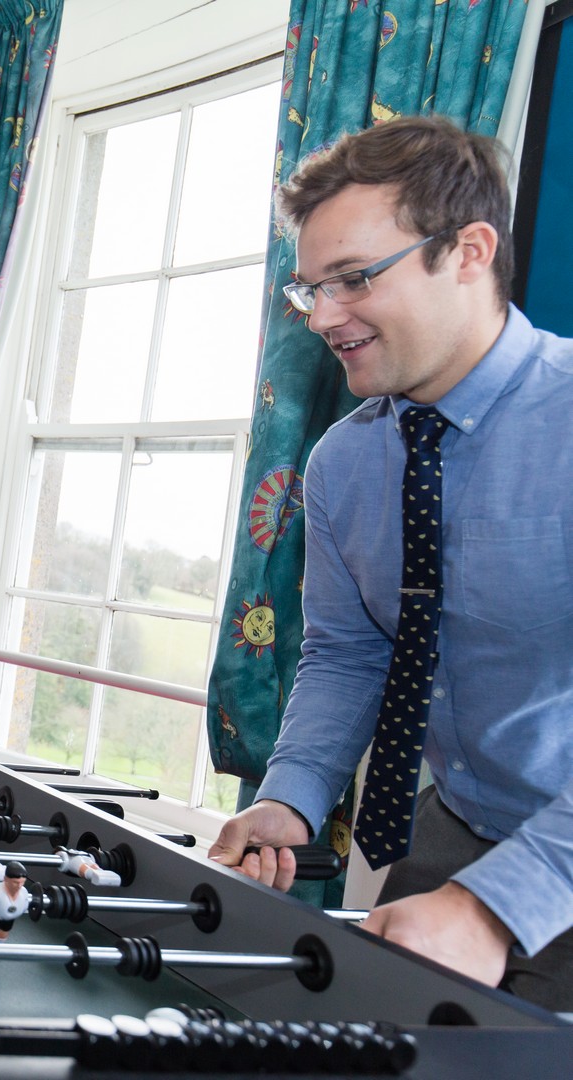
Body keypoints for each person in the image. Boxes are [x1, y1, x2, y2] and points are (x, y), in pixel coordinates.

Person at [207, 115, 573, 1010]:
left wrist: (497, 907)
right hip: (455, 833)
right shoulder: (343, 461)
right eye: (310, 288)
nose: (323, 316)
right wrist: (291, 797)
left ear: (469, 252)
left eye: (353, 278)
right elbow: (349, 652)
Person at [0, 862, 31, 941]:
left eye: (22, 882)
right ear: (6, 879)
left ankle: (0, 946)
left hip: (10, 918)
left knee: (3, 934)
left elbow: (25, 906)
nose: (19, 886)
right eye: (15, 882)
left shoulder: (24, 892)